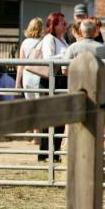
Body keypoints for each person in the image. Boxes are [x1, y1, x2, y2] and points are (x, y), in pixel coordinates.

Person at [37, 12, 69, 162]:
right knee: (49, 118)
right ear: (54, 25)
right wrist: (66, 56)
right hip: (50, 81)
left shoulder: (61, 39)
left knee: (60, 118)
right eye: (61, 22)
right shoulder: (49, 39)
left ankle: (54, 152)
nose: (64, 25)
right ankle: (45, 153)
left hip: (60, 81)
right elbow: (47, 58)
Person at [16, 17, 44, 100]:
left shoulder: (25, 42)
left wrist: (17, 82)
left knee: (29, 104)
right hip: (39, 76)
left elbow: (21, 64)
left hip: (27, 76)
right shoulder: (44, 41)